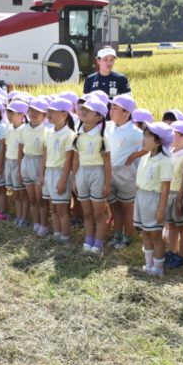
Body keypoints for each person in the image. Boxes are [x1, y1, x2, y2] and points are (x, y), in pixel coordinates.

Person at [105, 94, 146, 249]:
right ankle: (118, 234)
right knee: (115, 206)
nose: (112, 110)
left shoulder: (134, 131)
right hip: (110, 171)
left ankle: (128, 235)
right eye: (111, 107)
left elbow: (149, 145)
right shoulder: (109, 128)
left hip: (125, 172)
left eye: (116, 108)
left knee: (126, 207)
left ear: (126, 112)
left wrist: (135, 155)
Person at [135, 122, 174, 277]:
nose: (143, 139)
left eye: (147, 136)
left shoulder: (164, 162)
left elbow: (165, 188)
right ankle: (148, 263)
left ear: (158, 142)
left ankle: (158, 266)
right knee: (145, 233)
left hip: (154, 200)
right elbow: (139, 182)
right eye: (144, 136)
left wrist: (161, 210)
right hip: (142, 198)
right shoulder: (145, 157)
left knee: (156, 235)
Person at [72, 98, 110, 254]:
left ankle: (98, 245)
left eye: (89, 110)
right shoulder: (78, 135)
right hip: (82, 173)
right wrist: (74, 178)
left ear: (99, 117)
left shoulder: (102, 137)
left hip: (97, 173)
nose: (84, 111)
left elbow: (107, 162)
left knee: (98, 214)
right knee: (87, 213)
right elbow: (75, 158)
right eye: (83, 109)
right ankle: (88, 242)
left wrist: (107, 183)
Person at [40, 98, 76, 241]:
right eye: (49, 111)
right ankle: (57, 234)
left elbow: (69, 159)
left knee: (61, 209)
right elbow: (45, 155)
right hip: (49, 172)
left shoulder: (69, 135)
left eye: (53, 111)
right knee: (53, 207)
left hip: (61, 173)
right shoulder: (49, 132)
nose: (49, 114)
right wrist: (42, 174)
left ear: (64, 114)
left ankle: (65, 237)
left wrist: (63, 180)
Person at [164, 121, 183, 269]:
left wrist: (180, 200)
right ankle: (172, 251)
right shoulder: (172, 153)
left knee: (182, 226)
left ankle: (181, 255)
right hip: (169, 193)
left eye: (174, 134)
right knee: (172, 225)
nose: (170, 137)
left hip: (179, 195)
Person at [18, 98, 50, 235]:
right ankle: (36, 222)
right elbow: (20, 150)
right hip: (27, 162)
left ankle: (44, 224)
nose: (34, 113)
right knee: (32, 198)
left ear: (45, 115)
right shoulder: (23, 129)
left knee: (40, 199)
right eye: (31, 110)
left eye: (38, 111)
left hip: (39, 164)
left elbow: (45, 154)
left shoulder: (47, 132)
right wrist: (20, 170)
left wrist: (42, 173)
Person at [83, 47, 131, 121]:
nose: (109, 63)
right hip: (94, 121)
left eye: (112, 60)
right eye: (105, 59)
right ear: (98, 60)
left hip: (114, 121)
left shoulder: (121, 79)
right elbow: (85, 101)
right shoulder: (90, 79)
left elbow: (128, 102)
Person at [5, 100, 29, 227]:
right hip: (10, 162)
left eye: (12, 113)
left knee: (22, 193)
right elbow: (8, 148)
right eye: (8, 112)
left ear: (21, 115)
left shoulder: (24, 130)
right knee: (16, 193)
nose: (9, 115)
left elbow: (22, 151)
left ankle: (24, 218)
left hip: (19, 164)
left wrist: (20, 169)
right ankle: (19, 216)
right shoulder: (9, 129)